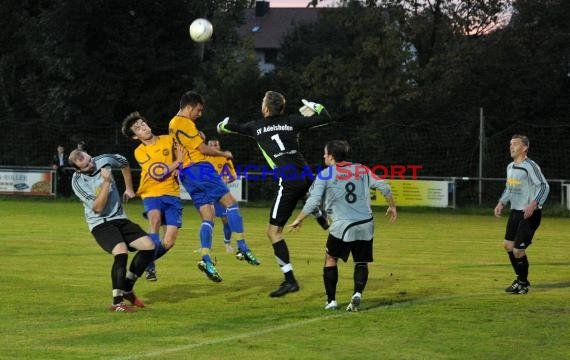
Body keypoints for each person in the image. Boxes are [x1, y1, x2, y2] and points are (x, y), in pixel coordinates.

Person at [217, 91, 332, 297]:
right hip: (306, 174)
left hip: (288, 181)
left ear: (266, 108)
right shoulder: (292, 121)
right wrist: (315, 106)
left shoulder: (256, 127)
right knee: (305, 192)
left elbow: (230, 127)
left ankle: (290, 281)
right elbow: (326, 118)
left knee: (273, 233)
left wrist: (222, 126)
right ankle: (318, 214)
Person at [287, 140, 397, 311]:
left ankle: (331, 301)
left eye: (325, 153)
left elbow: (313, 201)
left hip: (342, 225)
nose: (323, 156)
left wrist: (299, 219)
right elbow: (385, 186)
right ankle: (357, 294)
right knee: (361, 261)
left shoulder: (325, 174)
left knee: (330, 258)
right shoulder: (361, 169)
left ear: (331, 156)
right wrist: (392, 206)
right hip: (366, 223)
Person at [169, 90, 260, 283]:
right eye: (199, 110)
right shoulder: (183, 122)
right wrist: (223, 154)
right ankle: (242, 248)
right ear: (189, 107)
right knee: (231, 203)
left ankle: (206, 259)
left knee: (208, 217)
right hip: (200, 169)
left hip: (187, 174)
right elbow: (201, 149)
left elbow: (182, 147)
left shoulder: (173, 124)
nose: (200, 114)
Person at [68, 149, 155, 312]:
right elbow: (98, 208)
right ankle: (117, 302)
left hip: (119, 218)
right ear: (77, 169)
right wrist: (107, 182)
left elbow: (124, 163)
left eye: (90, 160)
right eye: (85, 166)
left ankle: (127, 289)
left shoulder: (104, 159)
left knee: (149, 246)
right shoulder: (78, 182)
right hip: (100, 223)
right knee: (121, 251)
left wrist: (129, 188)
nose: (91, 165)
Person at [121, 111, 185, 282]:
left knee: (169, 242)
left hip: (172, 193)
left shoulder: (169, 139)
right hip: (151, 191)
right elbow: (158, 173)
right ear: (135, 137)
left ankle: (145, 260)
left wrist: (181, 166)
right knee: (155, 220)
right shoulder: (140, 151)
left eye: (143, 124)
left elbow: (184, 156)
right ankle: (149, 266)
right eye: (138, 128)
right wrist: (177, 162)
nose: (143, 127)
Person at [494, 134, 549, 295]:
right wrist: (501, 202)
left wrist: (534, 203)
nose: (511, 147)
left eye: (516, 144)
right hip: (515, 211)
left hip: (530, 213)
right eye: (510, 144)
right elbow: (509, 188)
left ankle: (523, 284)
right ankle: (520, 279)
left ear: (524, 148)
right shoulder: (510, 166)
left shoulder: (530, 166)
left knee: (518, 250)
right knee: (508, 246)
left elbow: (544, 187)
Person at [207, 138, 237, 254]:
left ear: (219, 147)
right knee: (207, 220)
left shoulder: (224, 158)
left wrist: (224, 182)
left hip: (219, 194)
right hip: (207, 193)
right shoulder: (201, 157)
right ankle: (205, 246)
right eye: (211, 145)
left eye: (216, 145)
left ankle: (227, 244)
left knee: (226, 220)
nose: (214, 147)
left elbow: (233, 176)